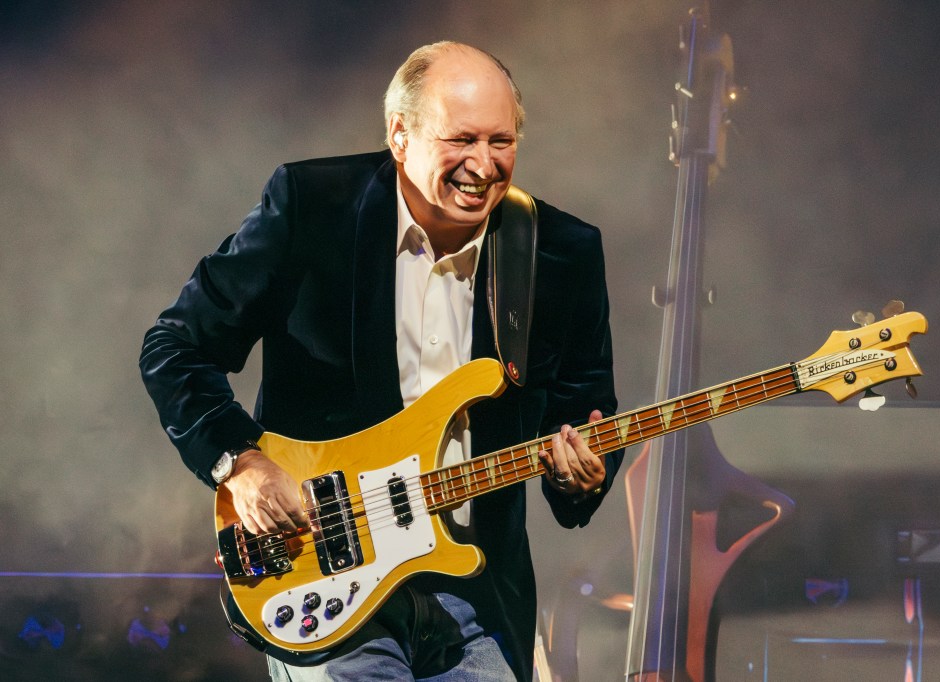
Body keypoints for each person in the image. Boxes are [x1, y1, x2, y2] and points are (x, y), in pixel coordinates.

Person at [139, 41, 623, 681]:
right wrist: (239, 462)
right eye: (463, 139)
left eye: (502, 141)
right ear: (400, 135)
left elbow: (586, 410)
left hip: (472, 596)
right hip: (328, 572)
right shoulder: (312, 205)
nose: (484, 165)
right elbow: (175, 345)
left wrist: (584, 471)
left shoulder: (560, 251)